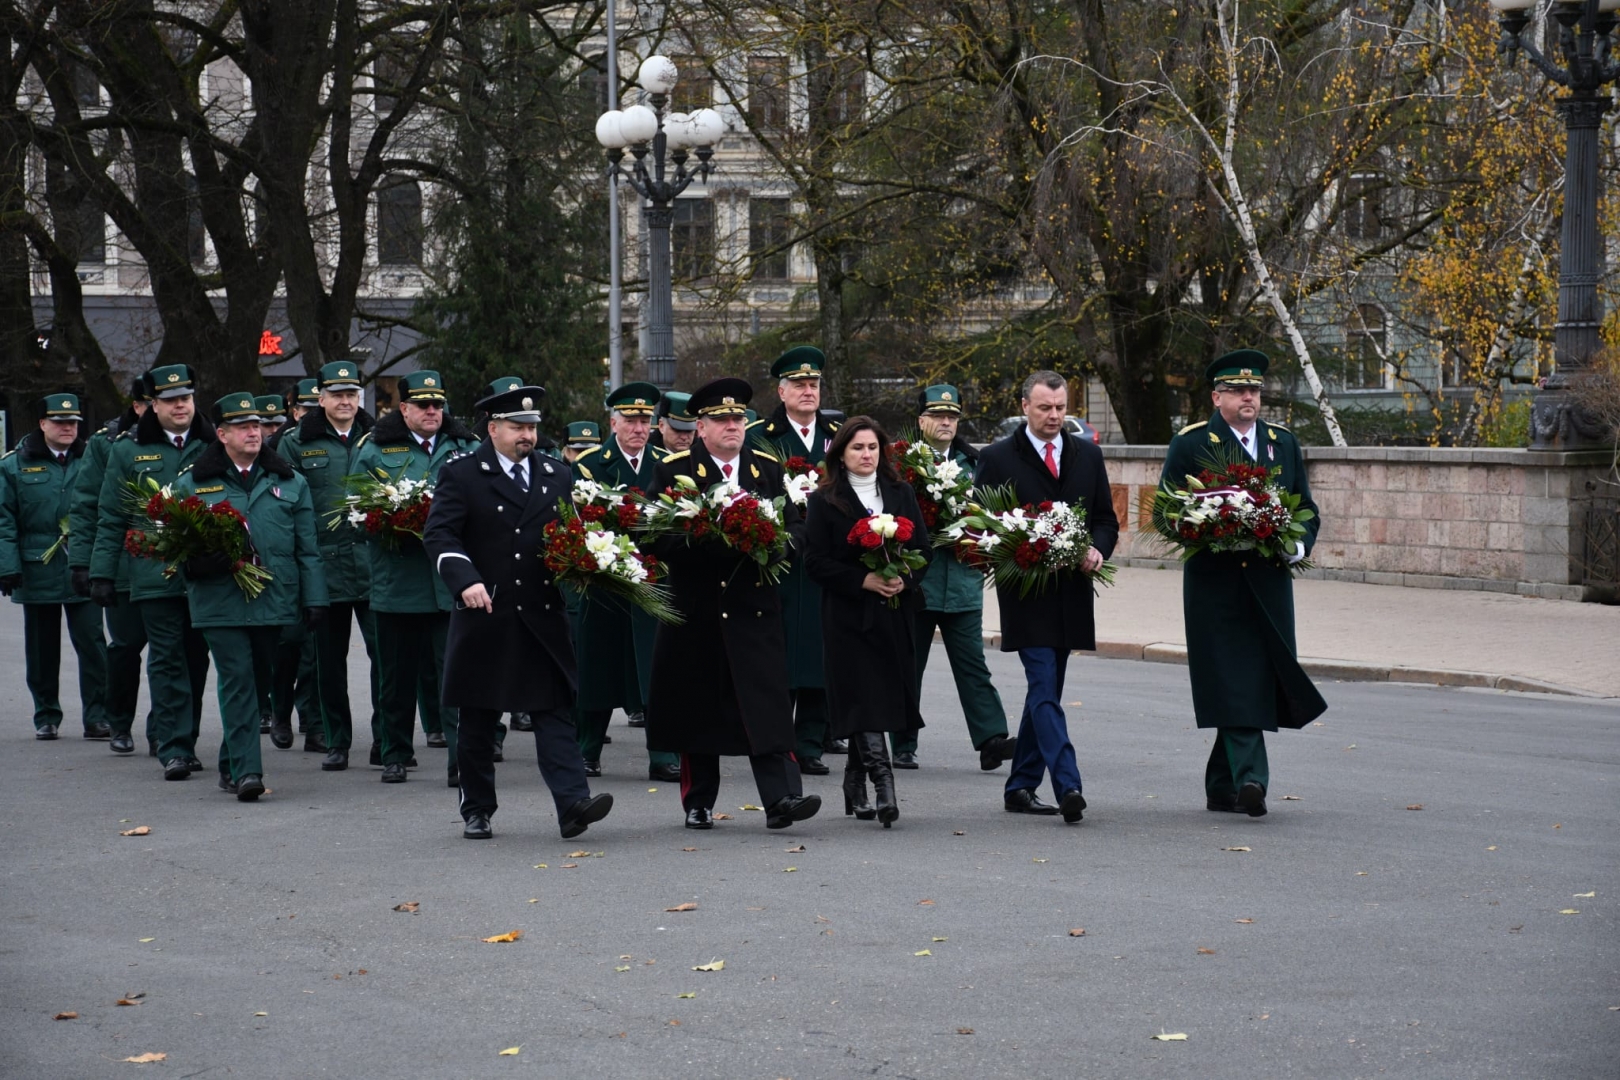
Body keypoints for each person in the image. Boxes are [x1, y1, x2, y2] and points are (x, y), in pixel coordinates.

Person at [424, 383, 612, 841]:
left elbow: (568, 534)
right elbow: (440, 534)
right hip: (486, 612)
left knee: (554, 712)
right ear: (493, 429)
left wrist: (594, 562)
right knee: (478, 719)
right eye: (516, 426)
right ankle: (477, 809)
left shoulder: (555, 474)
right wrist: (464, 579)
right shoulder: (463, 473)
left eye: (531, 426)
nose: (527, 435)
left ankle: (573, 804)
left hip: (542, 614)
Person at [647, 377, 821, 832]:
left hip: (753, 607)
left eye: (738, 419)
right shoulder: (674, 470)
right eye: (721, 419)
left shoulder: (767, 469)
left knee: (767, 706)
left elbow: (797, 527)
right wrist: (711, 540)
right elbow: (653, 534)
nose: (732, 426)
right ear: (701, 427)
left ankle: (782, 798)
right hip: (698, 608)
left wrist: (777, 546)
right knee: (697, 707)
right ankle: (698, 802)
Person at [1160, 350, 1326, 819]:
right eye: (1236, 390)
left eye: (1253, 390)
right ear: (1217, 397)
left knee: (1254, 675)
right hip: (1215, 584)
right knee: (1230, 675)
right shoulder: (1193, 442)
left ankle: (1221, 786)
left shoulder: (1281, 442)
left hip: (1269, 581)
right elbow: (1166, 510)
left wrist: (1298, 544)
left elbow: (1306, 507)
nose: (1248, 397)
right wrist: (1208, 526)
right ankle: (1253, 779)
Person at [975, 370, 1118, 824]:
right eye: (1044, 408)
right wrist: (1020, 549)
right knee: (1042, 683)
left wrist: (1097, 549)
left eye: (1060, 407)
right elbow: (980, 526)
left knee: (1047, 690)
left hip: (1072, 593)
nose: (1054, 415)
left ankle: (1019, 786)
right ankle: (1068, 784)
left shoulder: (1087, 454)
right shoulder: (997, 457)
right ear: (1025, 407)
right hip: (1025, 593)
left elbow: (1105, 519)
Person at [170, 394, 328, 801]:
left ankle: (230, 762)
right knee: (237, 677)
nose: (254, 432)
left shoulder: (289, 481)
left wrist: (315, 599)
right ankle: (247, 772)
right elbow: (173, 546)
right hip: (218, 600)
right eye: (243, 427)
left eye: (256, 425)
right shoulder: (192, 483)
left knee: (259, 681)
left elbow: (307, 549)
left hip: (273, 597)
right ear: (222, 434)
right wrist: (197, 563)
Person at [90, 364, 218, 780]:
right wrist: (101, 573)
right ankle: (172, 745)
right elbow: (112, 515)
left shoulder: (212, 442)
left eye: (186, 398)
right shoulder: (127, 450)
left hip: (204, 571)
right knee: (166, 658)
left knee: (196, 659)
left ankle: (187, 739)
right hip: (152, 571)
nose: (180, 406)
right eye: (170, 400)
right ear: (153, 405)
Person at [803, 417, 932, 827]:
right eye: (857, 447)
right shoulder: (824, 500)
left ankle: (853, 782)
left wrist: (902, 579)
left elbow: (923, 549)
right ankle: (883, 786)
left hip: (893, 613)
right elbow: (814, 561)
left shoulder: (900, 492)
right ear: (841, 453)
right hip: (847, 616)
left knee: (878, 698)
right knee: (862, 697)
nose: (866, 454)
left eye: (873, 447)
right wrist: (862, 580)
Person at [353, 370, 479, 785]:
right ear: (403, 408)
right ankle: (394, 753)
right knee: (396, 678)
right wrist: (395, 522)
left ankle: (461, 759)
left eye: (438, 404)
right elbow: (355, 513)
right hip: (399, 579)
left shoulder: (466, 447)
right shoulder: (374, 449)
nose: (432, 411)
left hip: (451, 583)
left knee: (457, 675)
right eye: (423, 404)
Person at [891, 385, 1015, 771]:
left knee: (973, 664)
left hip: (963, 580)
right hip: (918, 581)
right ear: (921, 420)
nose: (946, 422)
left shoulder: (974, 463)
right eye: (937, 415)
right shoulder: (902, 464)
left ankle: (992, 740)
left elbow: (994, 513)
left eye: (952, 416)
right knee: (909, 664)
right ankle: (903, 743)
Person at [570, 382, 682, 781]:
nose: (638, 428)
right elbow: (576, 520)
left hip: (653, 577)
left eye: (645, 420)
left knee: (657, 667)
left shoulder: (666, 462)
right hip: (604, 580)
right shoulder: (589, 464)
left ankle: (663, 754)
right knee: (597, 667)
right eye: (630, 420)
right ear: (613, 422)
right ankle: (586, 750)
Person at [276, 360, 379, 765]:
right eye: (337, 395)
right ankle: (336, 740)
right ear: (321, 399)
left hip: (373, 564)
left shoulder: (380, 438)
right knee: (328, 664)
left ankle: (386, 740)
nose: (345, 401)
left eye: (351, 394)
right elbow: (287, 506)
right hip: (324, 567)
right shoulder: (296, 442)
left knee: (385, 659)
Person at [748, 345, 843, 774]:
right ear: (782, 391)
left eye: (814, 384)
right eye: (800, 384)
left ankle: (810, 743)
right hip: (781, 558)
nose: (808, 391)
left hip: (825, 555)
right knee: (779, 650)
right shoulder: (761, 435)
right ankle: (776, 739)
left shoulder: (838, 434)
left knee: (821, 647)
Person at [0, 393, 111, 742]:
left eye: (73, 422)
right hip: (37, 565)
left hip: (84, 563)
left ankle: (97, 716)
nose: (68, 428)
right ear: (42, 424)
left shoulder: (92, 459)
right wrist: (7, 565)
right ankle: (46, 714)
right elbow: (4, 519)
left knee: (93, 643)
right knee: (41, 647)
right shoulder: (14, 465)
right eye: (60, 422)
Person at [69, 377, 152, 755]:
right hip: (122, 564)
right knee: (125, 648)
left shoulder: (193, 442)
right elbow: (87, 505)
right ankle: (118, 721)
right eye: (149, 403)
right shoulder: (106, 444)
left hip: (171, 567)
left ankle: (165, 730)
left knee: (172, 652)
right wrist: (83, 563)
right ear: (137, 406)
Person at [652, 391, 697, 456]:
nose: (684, 437)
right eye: (677, 430)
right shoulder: (645, 454)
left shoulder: (704, 453)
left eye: (689, 431)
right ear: (661, 426)